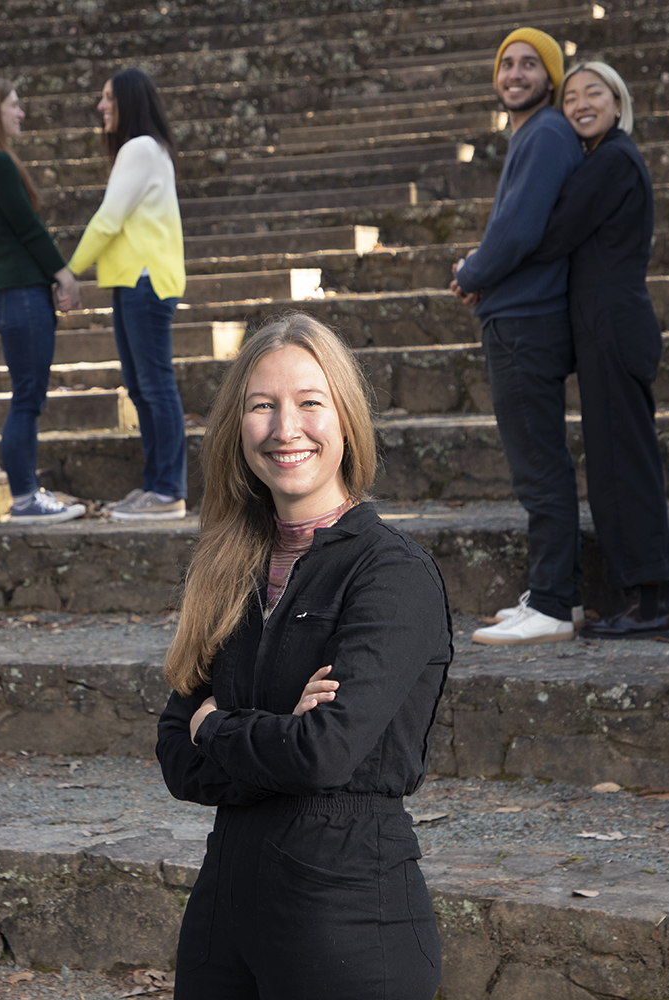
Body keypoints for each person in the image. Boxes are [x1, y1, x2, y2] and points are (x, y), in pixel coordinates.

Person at [155, 314, 451, 1000]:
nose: (286, 428)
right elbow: (174, 753)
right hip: (223, 913)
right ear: (238, 427)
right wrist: (277, 735)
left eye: (309, 402)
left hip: (346, 917)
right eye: (263, 406)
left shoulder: (391, 573)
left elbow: (323, 753)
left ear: (346, 419)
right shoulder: (228, 568)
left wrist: (215, 726)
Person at [520, 62, 669, 637]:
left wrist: (486, 266)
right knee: (616, 460)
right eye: (570, 97)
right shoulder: (605, 159)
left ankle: (652, 602)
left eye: (595, 93)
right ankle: (640, 596)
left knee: (623, 464)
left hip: (613, 325)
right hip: (604, 327)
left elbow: (552, 231)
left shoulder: (613, 159)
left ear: (618, 103)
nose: (581, 103)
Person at [446, 28, 586, 645]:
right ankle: (560, 596)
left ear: (550, 79)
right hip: (521, 315)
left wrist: (471, 273)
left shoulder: (547, 132)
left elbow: (518, 230)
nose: (516, 73)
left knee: (538, 466)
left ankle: (551, 606)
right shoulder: (533, 134)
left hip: (526, 321)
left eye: (531, 64)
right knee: (540, 460)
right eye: (507, 63)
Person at [0, 77, 87, 524]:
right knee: (27, 398)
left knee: (27, 397)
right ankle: (26, 497)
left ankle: (28, 495)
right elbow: (28, 228)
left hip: (14, 295)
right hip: (21, 296)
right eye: (13, 105)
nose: (21, 112)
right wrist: (64, 275)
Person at [64, 68, 189, 521]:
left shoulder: (139, 149)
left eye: (109, 98)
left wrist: (70, 271)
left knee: (154, 386)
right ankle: (156, 485)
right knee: (141, 387)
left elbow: (108, 218)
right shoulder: (148, 150)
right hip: (133, 281)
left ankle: (168, 490)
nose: (101, 106)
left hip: (145, 282)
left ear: (130, 102)